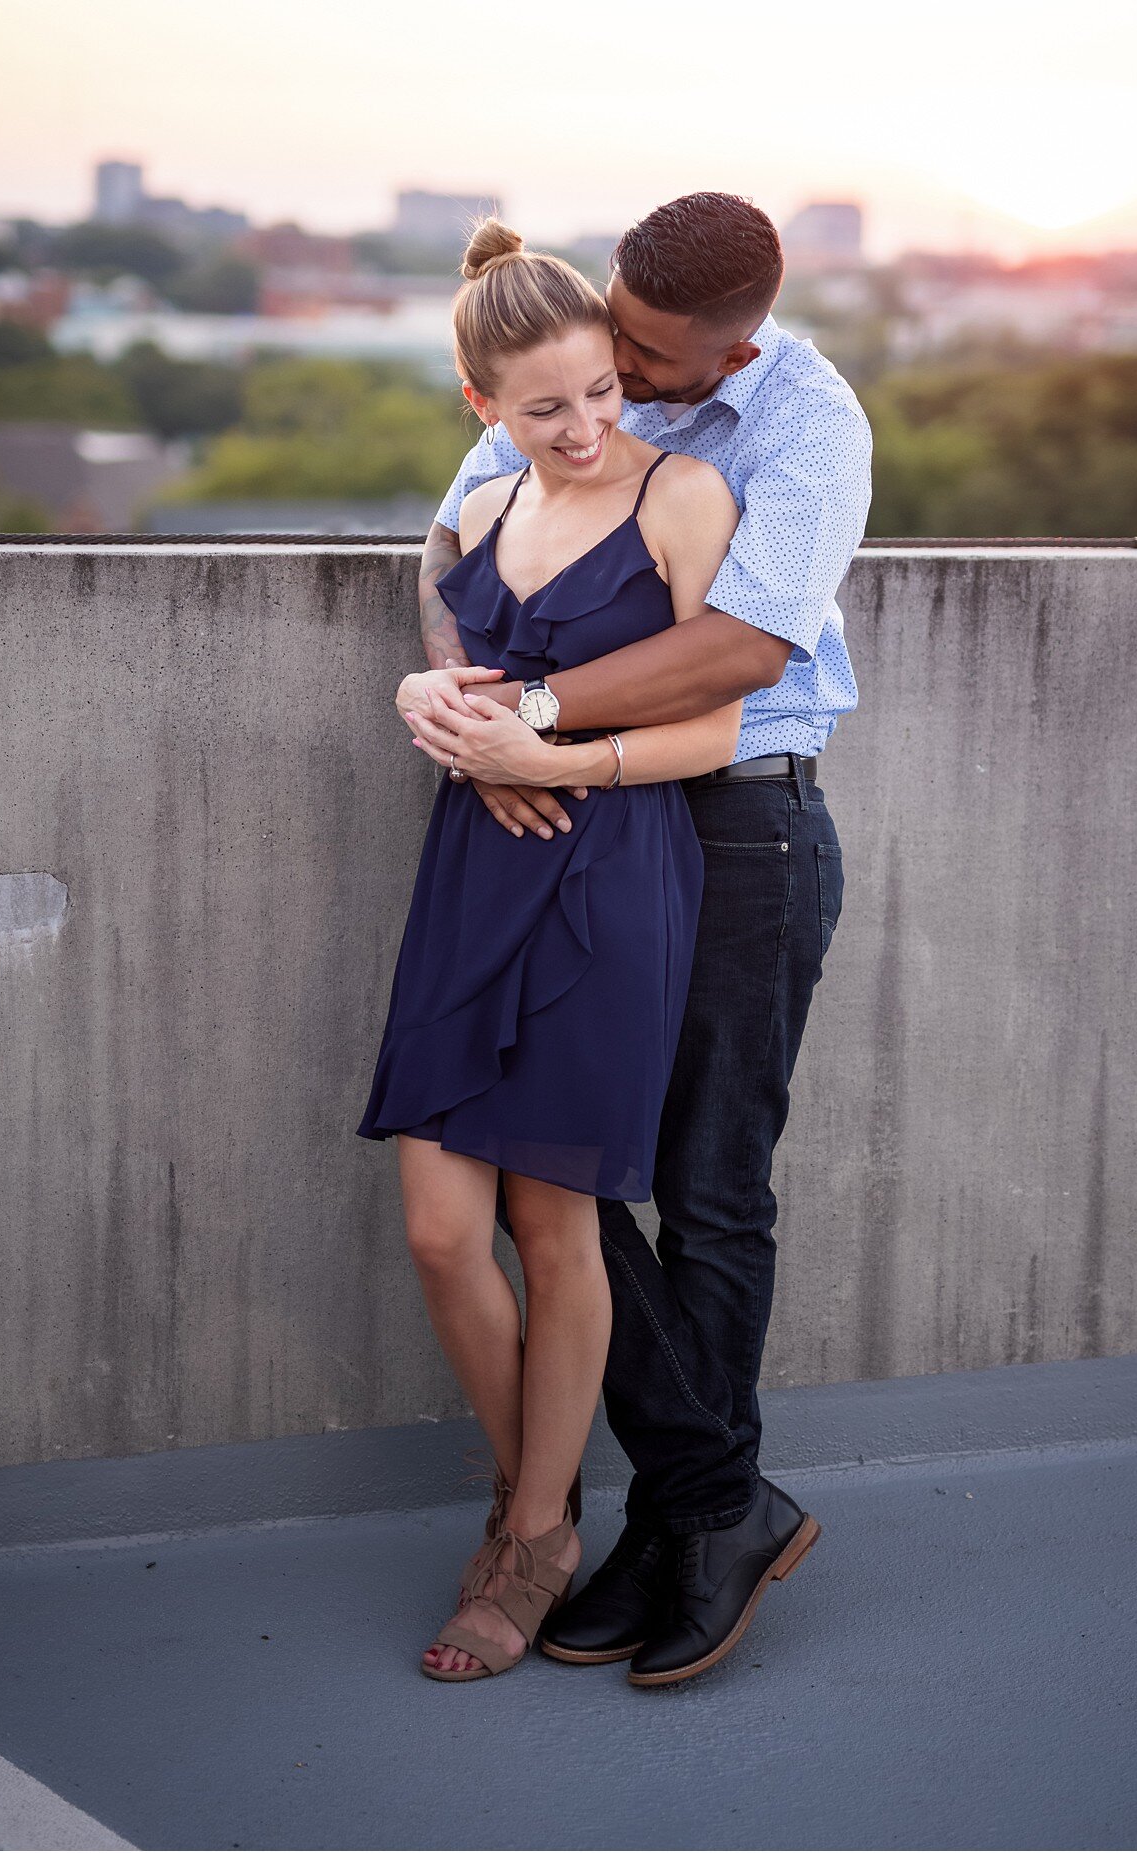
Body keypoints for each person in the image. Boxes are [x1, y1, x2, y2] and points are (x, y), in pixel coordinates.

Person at [406, 189, 872, 1686]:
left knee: (710, 1189)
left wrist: (533, 721)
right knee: (568, 1181)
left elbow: (745, 645)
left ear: (734, 344)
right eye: (616, 331)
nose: (619, 376)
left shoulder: (807, 421)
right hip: (578, 826)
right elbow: (464, 546)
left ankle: (698, 1513)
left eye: (651, 363)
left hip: (737, 816)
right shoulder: (581, 367)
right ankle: (705, 1504)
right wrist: (448, 690)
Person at [356, 215, 755, 1681]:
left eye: (602, 390)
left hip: (613, 873)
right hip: (470, 871)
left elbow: (717, 721)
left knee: (552, 1225)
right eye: (545, 408)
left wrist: (563, 758)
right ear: (484, 411)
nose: (587, 425)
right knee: (439, 1229)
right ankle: (538, 1495)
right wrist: (443, 708)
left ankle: (531, 1533)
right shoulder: (476, 515)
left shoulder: (684, 493)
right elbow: (449, 668)